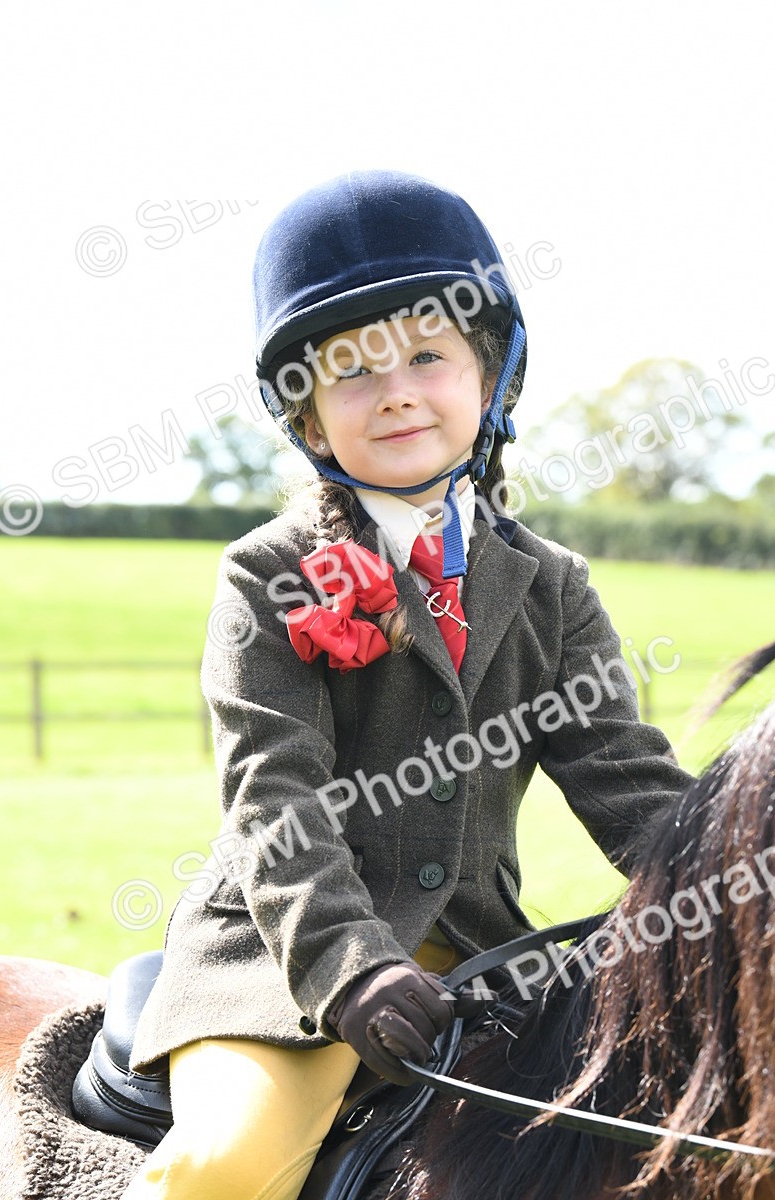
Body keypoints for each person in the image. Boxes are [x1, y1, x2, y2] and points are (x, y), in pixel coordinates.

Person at [123, 169, 695, 1200]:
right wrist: (349, 966)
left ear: (491, 381)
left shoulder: (550, 587)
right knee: (221, 1171)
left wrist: (736, 871)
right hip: (284, 969)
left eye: (426, 356)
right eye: (349, 371)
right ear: (305, 420)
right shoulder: (269, 575)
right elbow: (273, 799)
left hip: (486, 967)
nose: (392, 390)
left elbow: (627, 781)